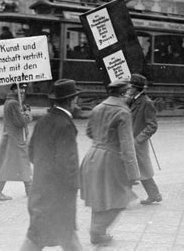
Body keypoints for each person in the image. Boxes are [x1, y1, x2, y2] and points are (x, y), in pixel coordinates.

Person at [21, 79, 82, 251]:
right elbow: (67, 164)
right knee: (48, 237)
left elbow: (31, 152)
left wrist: (44, 169)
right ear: (71, 101)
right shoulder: (65, 125)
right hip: (59, 195)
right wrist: (74, 186)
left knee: (54, 236)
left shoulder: (43, 121)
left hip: (41, 190)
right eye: (75, 99)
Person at [80, 79, 140, 245]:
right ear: (123, 93)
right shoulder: (123, 112)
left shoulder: (97, 108)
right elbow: (127, 145)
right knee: (123, 196)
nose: (131, 95)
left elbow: (89, 132)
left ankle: (98, 233)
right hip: (110, 158)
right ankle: (97, 230)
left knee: (99, 196)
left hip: (92, 156)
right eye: (129, 92)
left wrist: (102, 140)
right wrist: (133, 173)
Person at [0, 83, 32, 201]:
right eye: (20, 89)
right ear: (14, 90)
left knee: (20, 163)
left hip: (13, 137)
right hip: (15, 139)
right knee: (13, 164)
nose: (22, 92)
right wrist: (27, 114)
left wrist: (22, 109)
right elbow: (21, 122)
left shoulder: (12, 102)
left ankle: (29, 189)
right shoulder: (13, 103)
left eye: (24, 89)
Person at [127, 74, 162, 205]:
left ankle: (153, 194)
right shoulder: (132, 100)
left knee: (141, 170)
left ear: (136, 88)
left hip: (137, 143)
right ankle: (154, 194)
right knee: (135, 169)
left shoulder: (146, 102)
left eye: (130, 86)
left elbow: (152, 125)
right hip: (130, 141)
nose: (128, 88)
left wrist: (138, 140)